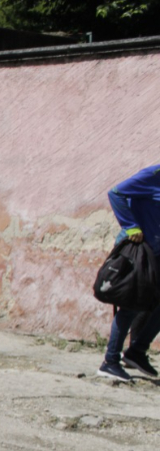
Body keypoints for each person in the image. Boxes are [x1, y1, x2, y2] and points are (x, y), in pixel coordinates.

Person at [99, 163, 160, 382]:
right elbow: (116, 193)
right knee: (130, 307)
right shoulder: (153, 175)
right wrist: (131, 226)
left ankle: (136, 352)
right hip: (140, 251)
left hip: (156, 252)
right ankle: (110, 361)